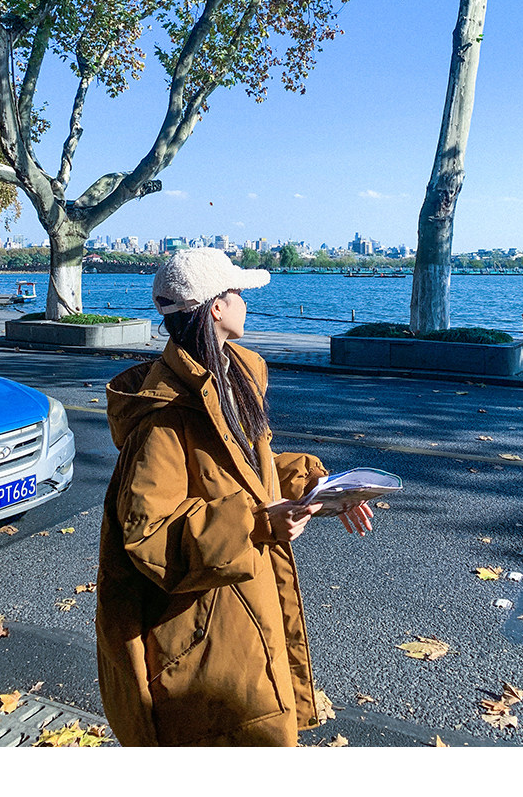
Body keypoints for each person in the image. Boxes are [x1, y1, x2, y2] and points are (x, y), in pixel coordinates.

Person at [95, 247, 373, 747]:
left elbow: (245, 470)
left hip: (245, 604)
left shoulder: (235, 375)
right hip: (206, 633)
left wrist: (316, 485)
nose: (246, 301)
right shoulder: (164, 415)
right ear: (216, 308)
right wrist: (259, 523)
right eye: (238, 292)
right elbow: (149, 533)